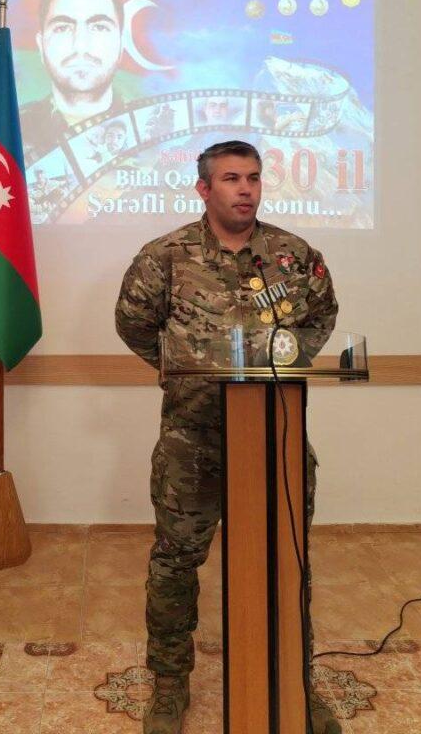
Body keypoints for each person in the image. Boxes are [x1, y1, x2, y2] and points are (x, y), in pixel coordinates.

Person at [115, 140, 341, 734]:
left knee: (286, 561)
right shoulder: (165, 257)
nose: (245, 189)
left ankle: (293, 679)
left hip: (273, 436)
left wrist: (283, 364)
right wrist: (189, 373)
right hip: (192, 441)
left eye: (254, 178)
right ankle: (170, 684)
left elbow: (322, 315)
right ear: (204, 188)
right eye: (232, 178)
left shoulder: (293, 256)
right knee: (176, 563)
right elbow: (134, 325)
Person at [19, 0, 125, 160]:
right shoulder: (10, 131)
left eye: (99, 27)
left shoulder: (151, 127)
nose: (81, 45)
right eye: (62, 28)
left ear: (121, 45)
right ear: (41, 46)